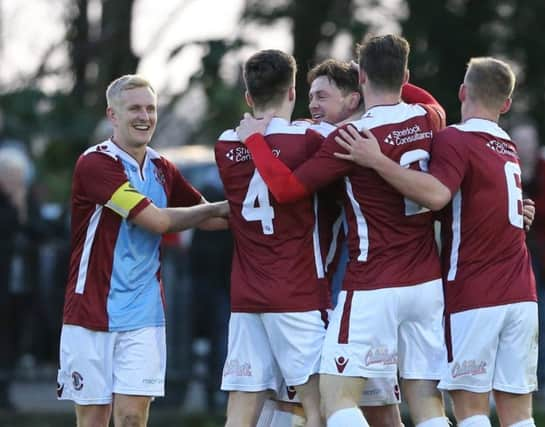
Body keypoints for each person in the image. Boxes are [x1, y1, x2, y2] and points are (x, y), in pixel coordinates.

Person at [237, 34, 449, 427]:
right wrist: (379, 75)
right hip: (426, 283)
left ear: (360, 83)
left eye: (323, 97)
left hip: (373, 285)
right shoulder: (426, 117)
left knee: (334, 400)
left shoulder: (349, 139)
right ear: (404, 74)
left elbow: (285, 189)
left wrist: (254, 141)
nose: (313, 106)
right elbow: (430, 101)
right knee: (424, 401)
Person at [334, 57, 538, 427]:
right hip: (522, 295)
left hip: (477, 293)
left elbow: (437, 195)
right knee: (519, 416)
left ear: (463, 92)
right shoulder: (506, 144)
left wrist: (377, 160)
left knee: (471, 410)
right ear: (505, 104)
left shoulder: (455, 138)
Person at [56, 74, 229, 427]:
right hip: (91, 313)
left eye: (150, 109)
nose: (144, 117)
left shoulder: (162, 168)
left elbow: (208, 219)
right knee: (93, 420)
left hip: (144, 315)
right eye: (134, 108)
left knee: (133, 418)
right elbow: (158, 221)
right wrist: (218, 208)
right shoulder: (96, 164)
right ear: (112, 115)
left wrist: (255, 209)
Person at [215, 49, 335, 427]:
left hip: (247, 295)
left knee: (242, 406)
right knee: (318, 404)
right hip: (296, 291)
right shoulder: (312, 138)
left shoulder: (224, 144)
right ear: (292, 91)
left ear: (248, 98)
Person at [509, 120, 545, 388]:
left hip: (541, 262)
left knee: (543, 321)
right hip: (510, 262)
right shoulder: (505, 168)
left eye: (529, 141)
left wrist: (522, 208)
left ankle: (542, 381)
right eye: (520, 141)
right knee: (513, 326)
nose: (526, 147)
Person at [0, 146, 29, 411]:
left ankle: (6, 392)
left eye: (19, 177)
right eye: (11, 176)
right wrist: (16, 206)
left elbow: (39, 230)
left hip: (20, 284)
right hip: (4, 281)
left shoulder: (25, 200)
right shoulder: (8, 204)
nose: (16, 182)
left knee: (13, 338)